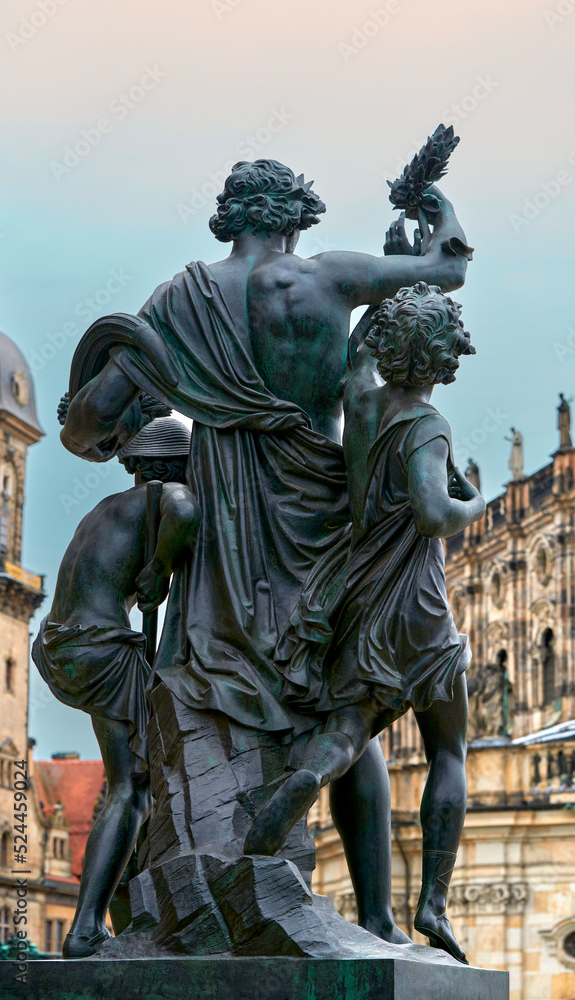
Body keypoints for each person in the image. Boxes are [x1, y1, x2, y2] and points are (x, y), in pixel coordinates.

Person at [58, 158, 474, 945]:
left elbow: (85, 427)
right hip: (324, 519)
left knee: (223, 700)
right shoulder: (330, 277)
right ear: (298, 214)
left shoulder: (178, 300)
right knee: (346, 706)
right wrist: (431, 201)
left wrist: (105, 407)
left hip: (226, 539)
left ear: (229, 217)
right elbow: (447, 264)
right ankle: (381, 916)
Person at [245, 283, 485, 963]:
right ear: (446, 358)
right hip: (419, 609)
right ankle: (433, 902)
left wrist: (387, 299)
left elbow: (356, 356)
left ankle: (301, 781)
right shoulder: (427, 425)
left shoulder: (362, 400)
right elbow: (436, 514)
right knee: (448, 748)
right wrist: (476, 503)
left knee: (348, 730)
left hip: (360, 597)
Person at [32, 415, 201, 958]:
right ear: (171, 465)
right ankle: (85, 926)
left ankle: (110, 914)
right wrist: (159, 567)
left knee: (124, 778)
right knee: (133, 787)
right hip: (101, 646)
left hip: (58, 643)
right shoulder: (165, 494)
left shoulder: (105, 509)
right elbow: (185, 510)